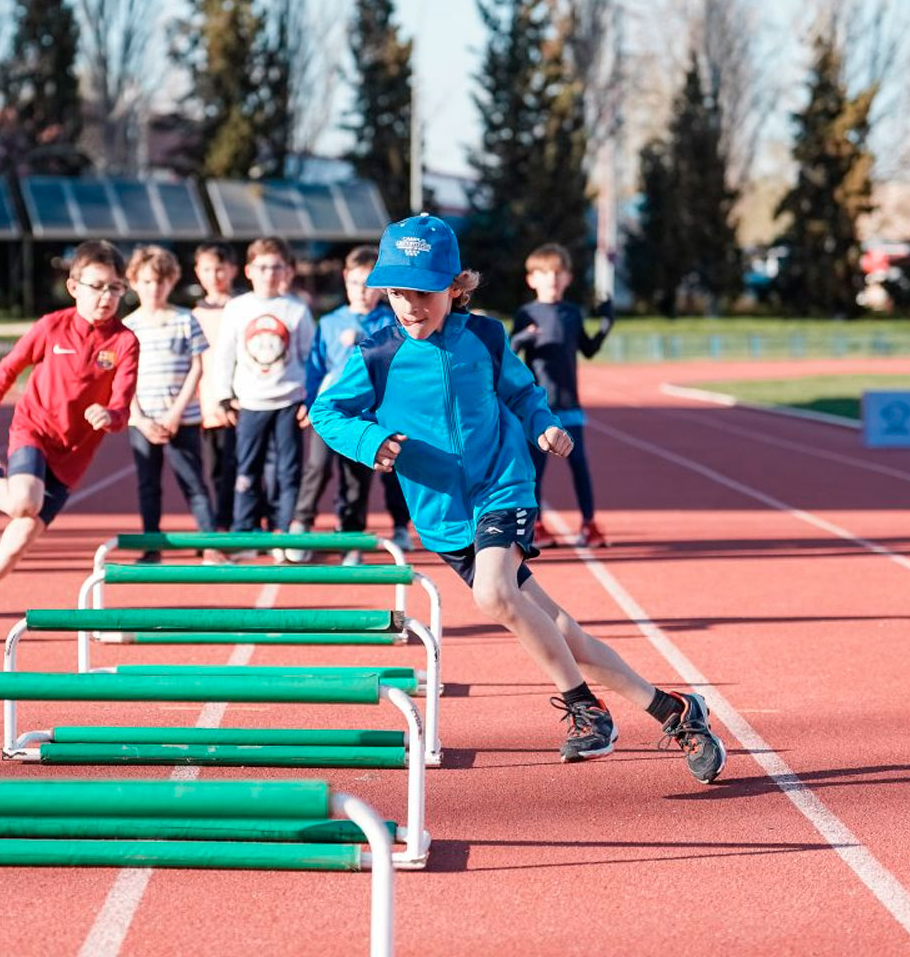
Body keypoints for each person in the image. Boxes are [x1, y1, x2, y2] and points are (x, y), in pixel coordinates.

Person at [310, 215, 725, 784]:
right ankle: (674, 711)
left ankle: (587, 712)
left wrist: (543, 426)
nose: (408, 305)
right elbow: (328, 413)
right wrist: (369, 440)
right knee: (562, 631)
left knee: (495, 593)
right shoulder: (377, 354)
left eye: (423, 292)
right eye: (397, 291)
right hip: (442, 515)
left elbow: (524, 393)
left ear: (455, 287)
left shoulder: (484, 337)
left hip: (503, 484)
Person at [0, 240, 138, 646]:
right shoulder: (52, 327)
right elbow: (7, 371)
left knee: (17, 543)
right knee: (25, 500)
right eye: (97, 286)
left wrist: (111, 416)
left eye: (115, 288)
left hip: (74, 454)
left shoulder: (124, 342)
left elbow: (122, 403)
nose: (106, 297)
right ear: (74, 286)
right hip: (34, 430)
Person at [296, 245, 413, 552]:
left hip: (370, 416)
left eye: (369, 285)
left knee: (360, 478)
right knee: (317, 469)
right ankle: (301, 527)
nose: (362, 292)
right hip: (333, 411)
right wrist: (310, 404)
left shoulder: (390, 322)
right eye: (355, 283)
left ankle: (354, 538)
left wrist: (362, 341)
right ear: (345, 278)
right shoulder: (330, 322)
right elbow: (315, 368)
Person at [206, 237, 316, 559]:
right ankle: (246, 533)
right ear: (249, 270)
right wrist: (224, 396)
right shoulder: (238, 308)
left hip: (288, 402)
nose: (269, 273)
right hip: (250, 402)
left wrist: (310, 399)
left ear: (286, 271)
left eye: (276, 267)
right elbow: (224, 355)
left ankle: (285, 534)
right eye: (263, 267)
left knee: (288, 470)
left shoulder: (296, 310)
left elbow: (310, 358)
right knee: (246, 468)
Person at [510, 243, 614, 548]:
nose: (552, 279)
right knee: (535, 470)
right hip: (537, 406)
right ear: (532, 279)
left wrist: (607, 324)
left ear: (567, 278)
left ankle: (589, 524)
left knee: (580, 465)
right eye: (544, 273)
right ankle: (537, 524)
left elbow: (589, 350)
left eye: (558, 273)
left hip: (570, 405)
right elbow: (509, 354)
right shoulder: (527, 312)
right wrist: (521, 337)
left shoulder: (572, 313)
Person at [122, 245, 215, 556]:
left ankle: (209, 544)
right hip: (142, 421)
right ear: (134, 282)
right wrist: (140, 417)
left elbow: (197, 367)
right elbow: (123, 378)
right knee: (148, 485)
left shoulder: (185, 320)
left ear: (171, 281)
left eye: (161, 282)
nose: (154, 289)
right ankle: (151, 546)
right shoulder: (127, 327)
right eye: (147, 282)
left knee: (194, 484)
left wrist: (175, 413)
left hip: (182, 418)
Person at [190, 242, 240, 549]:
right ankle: (216, 528)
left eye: (220, 268)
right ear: (198, 272)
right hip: (204, 403)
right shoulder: (194, 314)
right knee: (213, 469)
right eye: (207, 269)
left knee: (242, 467)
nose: (215, 275)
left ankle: (238, 524)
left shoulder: (243, 306)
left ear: (233, 270)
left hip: (240, 400)